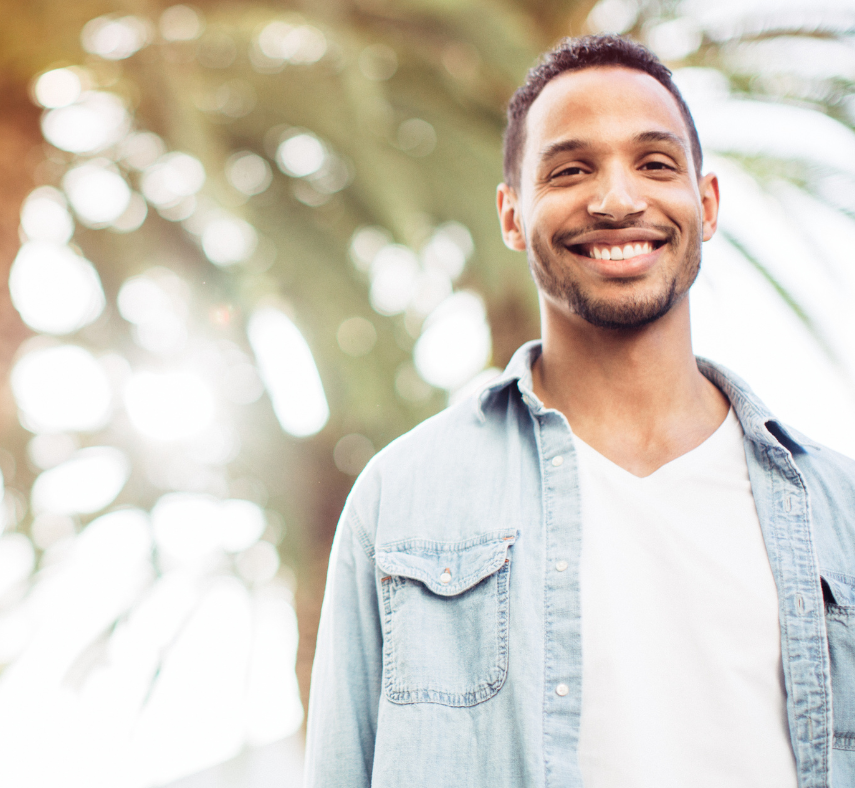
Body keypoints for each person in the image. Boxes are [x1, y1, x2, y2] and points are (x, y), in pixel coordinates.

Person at [303, 34, 855, 788]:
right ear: (511, 213)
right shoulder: (400, 502)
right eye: (571, 169)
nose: (618, 199)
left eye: (655, 163)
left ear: (708, 202)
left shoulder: (840, 511)